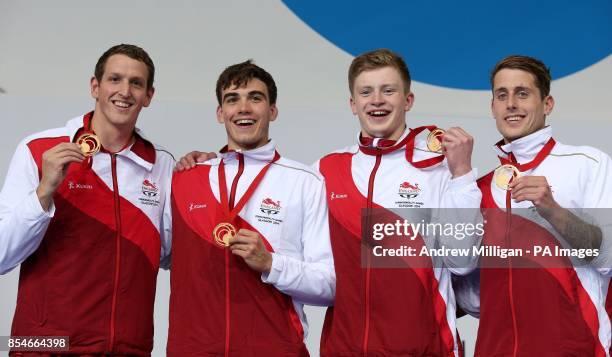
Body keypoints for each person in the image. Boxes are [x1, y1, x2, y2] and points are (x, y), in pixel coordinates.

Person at [0, 44, 173, 355]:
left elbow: (173, 254)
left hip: (126, 348)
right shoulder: (38, 149)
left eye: (136, 83)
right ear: (95, 86)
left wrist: (206, 173)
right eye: (115, 79)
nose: (125, 91)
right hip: (45, 347)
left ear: (149, 95)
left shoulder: (161, 166)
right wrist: (44, 191)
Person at [313, 48, 481, 356]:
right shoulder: (326, 170)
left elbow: (462, 260)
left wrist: (463, 173)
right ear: (353, 104)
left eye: (388, 90)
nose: (376, 99)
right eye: (366, 92)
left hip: (426, 349)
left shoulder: (442, 166)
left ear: (408, 100)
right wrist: (209, 164)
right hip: (345, 349)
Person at [167, 60, 335, 356]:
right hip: (193, 349)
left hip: (274, 349)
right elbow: (160, 253)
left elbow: (330, 284)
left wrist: (271, 264)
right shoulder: (186, 178)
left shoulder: (305, 181)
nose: (243, 107)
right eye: (233, 99)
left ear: (272, 111)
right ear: (221, 114)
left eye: (255, 98)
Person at [466, 55, 612, 356]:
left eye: (523, 93)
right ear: (492, 106)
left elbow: (608, 257)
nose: (511, 104)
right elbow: (473, 296)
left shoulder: (588, 163)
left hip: (574, 347)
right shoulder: (479, 189)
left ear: (547, 104)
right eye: (501, 95)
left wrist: (553, 210)